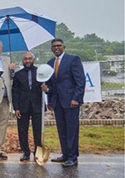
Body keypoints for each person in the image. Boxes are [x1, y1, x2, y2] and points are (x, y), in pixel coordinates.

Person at [43, 39, 85, 168]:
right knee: (62, 129)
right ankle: (65, 154)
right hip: (57, 102)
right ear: (51, 49)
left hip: (71, 102)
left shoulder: (73, 60)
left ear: (64, 46)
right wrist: (49, 98)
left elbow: (80, 81)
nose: (56, 48)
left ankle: (73, 157)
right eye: (54, 46)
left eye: (59, 46)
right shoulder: (50, 63)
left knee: (71, 130)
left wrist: (76, 99)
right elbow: (51, 84)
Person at [12, 52, 43, 161]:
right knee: (22, 130)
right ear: (22, 61)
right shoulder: (18, 74)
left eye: (29, 59)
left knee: (38, 130)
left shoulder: (40, 72)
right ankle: (26, 152)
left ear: (33, 60)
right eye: (25, 59)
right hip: (22, 106)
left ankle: (38, 152)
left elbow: (45, 87)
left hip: (37, 105)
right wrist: (16, 108)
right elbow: (15, 92)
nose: (27, 61)